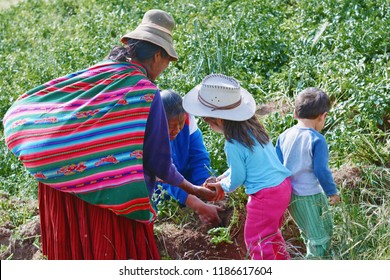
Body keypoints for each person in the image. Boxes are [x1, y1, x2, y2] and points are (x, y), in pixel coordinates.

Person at [2, 9, 214, 260]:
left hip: (62, 184)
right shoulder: (146, 93)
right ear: (157, 55)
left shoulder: (98, 73)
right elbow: (159, 163)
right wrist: (194, 190)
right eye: (168, 60)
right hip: (106, 193)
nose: (166, 67)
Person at [182, 74, 293, 260]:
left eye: (208, 121)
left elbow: (239, 178)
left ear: (219, 120)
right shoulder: (252, 130)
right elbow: (246, 165)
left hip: (265, 195)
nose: (209, 126)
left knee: (255, 240)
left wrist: (222, 186)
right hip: (282, 188)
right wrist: (222, 177)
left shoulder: (232, 143)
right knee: (270, 234)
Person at [275, 87, 340, 259]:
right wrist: (332, 192)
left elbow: (278, 166)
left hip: (291, 195)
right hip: (309, 195)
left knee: (312, 233)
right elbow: (321, 170)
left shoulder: (283, 136)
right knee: (320, 238)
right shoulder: (317, 139)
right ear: (323, 116)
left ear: (295, 113)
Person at [154, 89, 223, 226]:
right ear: (159, 122)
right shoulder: (152, 133)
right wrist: (197, 205)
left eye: (180, 124)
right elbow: (166, 177)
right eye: (171, 127)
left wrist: (208, 188)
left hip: (186, 179)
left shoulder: (188, 121)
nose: (177, 130)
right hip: (161, 188)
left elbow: (199, 158)